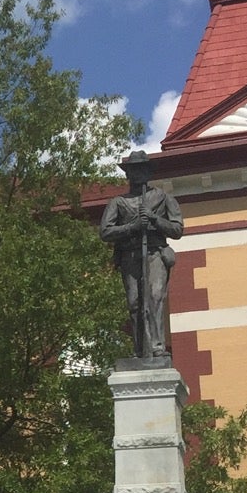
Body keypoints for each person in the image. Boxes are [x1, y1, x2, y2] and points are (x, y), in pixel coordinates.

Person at [100, 152, 183, 359]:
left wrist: (154, 219)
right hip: (130, 255)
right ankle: (139, 348)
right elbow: (106, 232)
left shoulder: (163, 198)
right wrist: (132, 226)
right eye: (134, 170)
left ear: (149, 172)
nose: (138, 173)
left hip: (155, 253)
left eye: (142, 169)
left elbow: (177, 230)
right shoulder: (118, 202)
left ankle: (156, 346)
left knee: (154, 298)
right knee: (135, 303)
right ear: (128, 174)